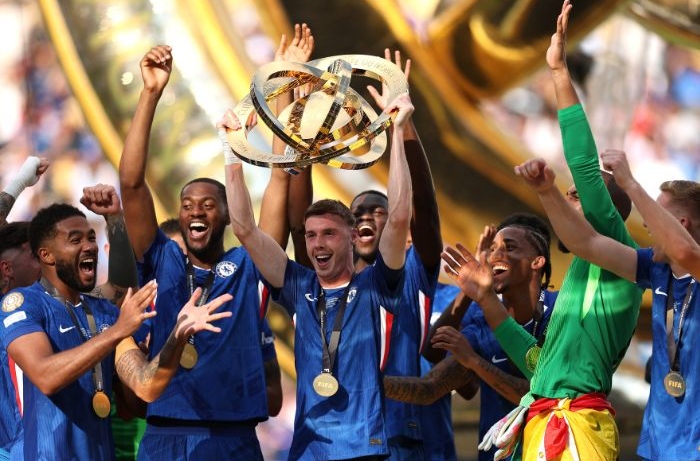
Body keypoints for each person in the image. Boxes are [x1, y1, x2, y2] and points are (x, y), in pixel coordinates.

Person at [441, 2, 643, 459]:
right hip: (546, 424)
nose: (571, 199)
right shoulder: (581, 274)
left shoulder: (617, 250)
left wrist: (558, 74)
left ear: (607, 211)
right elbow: (539, 364)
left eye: (578, 197)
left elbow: (585, 168)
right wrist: (485, 298)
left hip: (577, 430)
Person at [118, 34, 311, 458]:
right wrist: (150, 93)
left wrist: (284, 82)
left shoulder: (248, 264)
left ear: (225, 216)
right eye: (187, 205)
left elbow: (281, 176)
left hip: (232, 438)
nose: (195, 211)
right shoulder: (162, 257)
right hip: (166, 436)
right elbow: (131, 185)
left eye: (207, 205)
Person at [225, 91, 414, 460]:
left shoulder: (376, 285)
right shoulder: (299, 285)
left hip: (362, 447)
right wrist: (231, 149)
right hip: (308, 448)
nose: (316, 244)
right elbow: (245, 229)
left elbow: (400, 217)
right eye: (311, 235)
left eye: (328, 233)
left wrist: (398, 129)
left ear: (353, 237)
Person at [0, 192, 231, 460]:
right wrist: (118, 331)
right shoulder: (21, 304)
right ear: (47, 255)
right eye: (75, 240)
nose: (89, 246)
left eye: (91, 238)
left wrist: (177, 337)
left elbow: (145, 388)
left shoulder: (105, 314)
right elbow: (45, 377)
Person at [519, 148, 700, 460]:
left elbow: (685, 252)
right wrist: (546, 191)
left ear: (680, 223)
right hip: (661, 442)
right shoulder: (655, 268)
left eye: (655, 216)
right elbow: (586, 243)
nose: (646, 226)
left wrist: (630, 184)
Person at [385, 213, 557, 461]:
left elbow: (543, 394)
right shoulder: (481, 322)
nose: (495, 255)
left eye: (509, 248)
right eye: (492, 249)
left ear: (537, 261)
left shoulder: (561, 311)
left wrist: (475, 362)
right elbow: (429, 387)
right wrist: (369, 383)